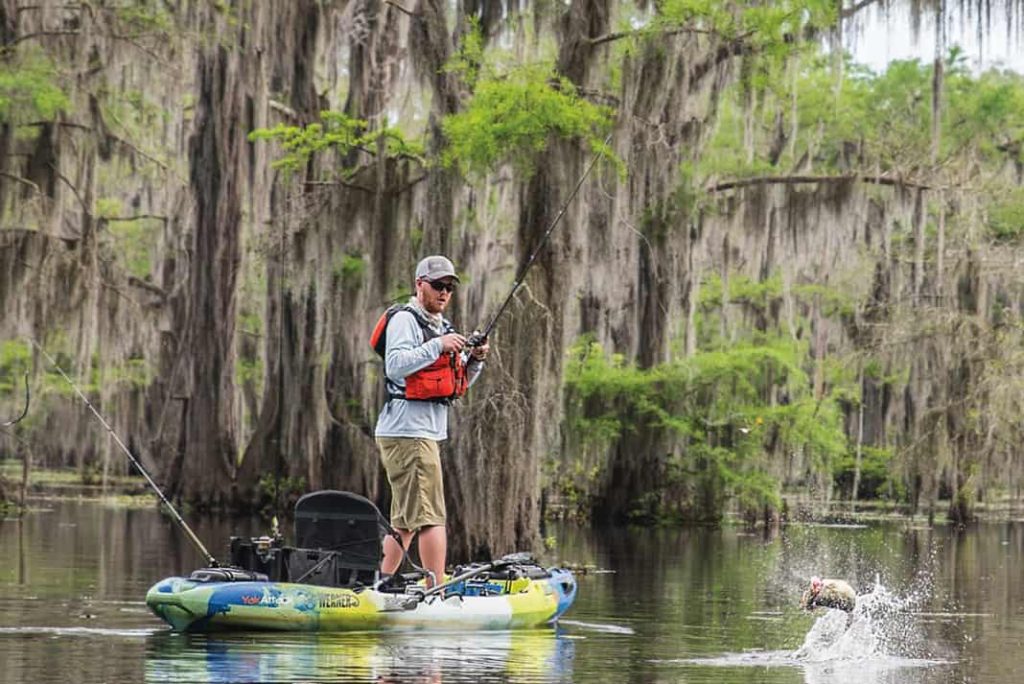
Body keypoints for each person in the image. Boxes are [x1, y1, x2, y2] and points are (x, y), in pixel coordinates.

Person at [374, 255, 489, 587]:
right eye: (438, 285)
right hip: (408, 432)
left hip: (421, 433)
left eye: (449, 287)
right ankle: (435, 590)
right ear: (419, 284)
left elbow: (454, 386)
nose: (444, 292)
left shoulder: (444, 328)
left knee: (406, 521)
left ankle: (380, 584)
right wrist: (438, 345)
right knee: (431, 517)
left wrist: (475, 361)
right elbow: (395, 365)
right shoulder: (405, 320)